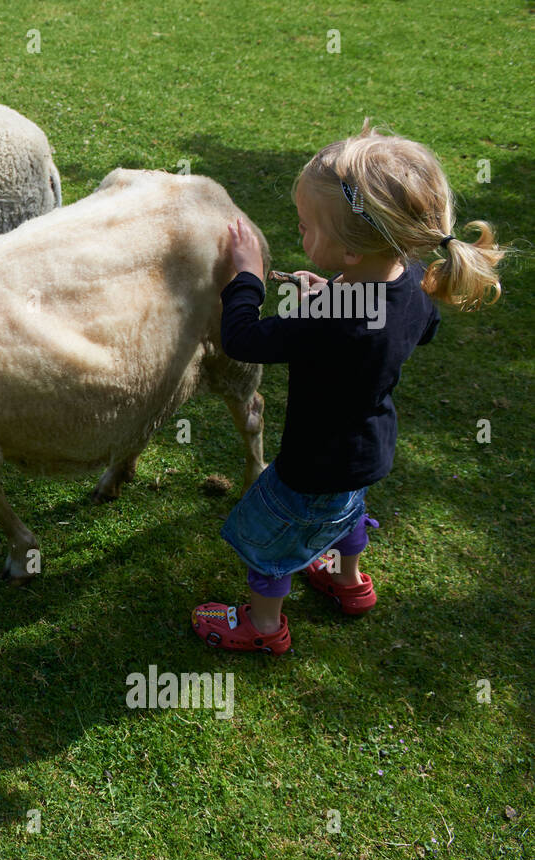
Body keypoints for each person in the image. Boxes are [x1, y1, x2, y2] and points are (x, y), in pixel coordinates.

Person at [191, 121, 505, 654]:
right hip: (369, 450)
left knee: (265, 539)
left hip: (312, 466)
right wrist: (333, 293)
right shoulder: (411, 282)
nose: (299, 232)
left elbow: (244, 338)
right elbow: (414, 329)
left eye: (307, 226)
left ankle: (263, 628)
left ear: (353, 253)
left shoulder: (329, 320)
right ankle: (348, 582)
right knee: (347, 513)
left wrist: (247, 276)